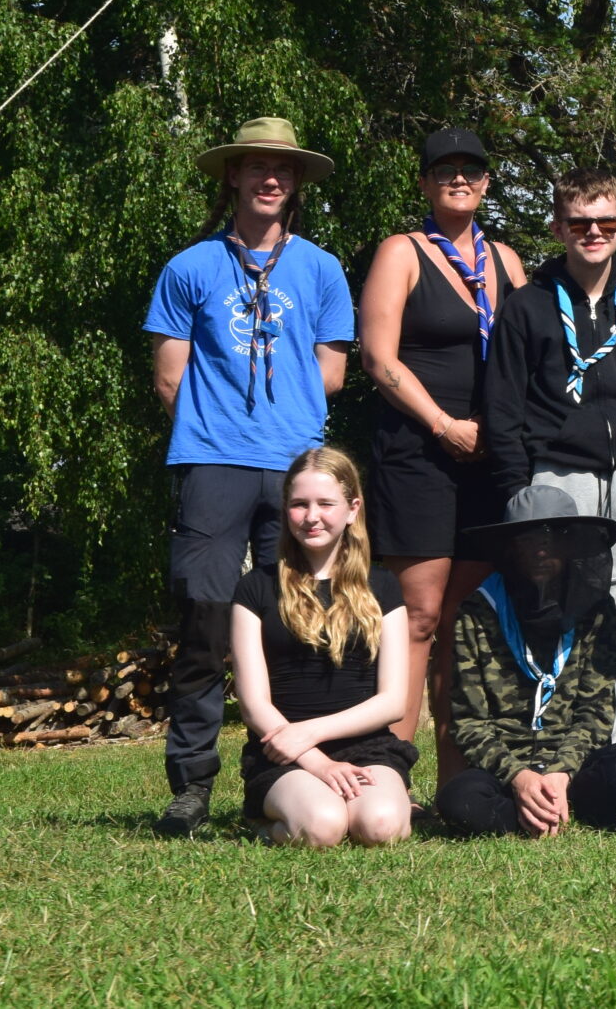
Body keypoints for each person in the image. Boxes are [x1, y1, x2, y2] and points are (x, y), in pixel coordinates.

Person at [143, 116, 357, 837]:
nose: (271, 178)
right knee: (205, 620)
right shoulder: (191, 266)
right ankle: (191, 785)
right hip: (213, 463)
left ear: (296, 182)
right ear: (232, 175)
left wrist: (282, 422)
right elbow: (169, 377)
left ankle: (284, 776)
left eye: (284, 168)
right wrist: (221, 430)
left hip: (297, 469)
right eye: (258, 166)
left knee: (297, 624)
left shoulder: (321, 269)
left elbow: (331, 372)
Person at [481, 164, 616, 731]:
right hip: (556, 478)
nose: (594, 232)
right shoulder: (526, 306)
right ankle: (544, 749)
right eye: (579, 223)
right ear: (558, 228)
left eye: (605, 222)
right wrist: (518, 493)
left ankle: (602, 749)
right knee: (548, 612)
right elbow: (503, 409)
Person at [359, 127, 528, 778]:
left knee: (466, 622)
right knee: (418, 616)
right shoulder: (401, 252)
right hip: (419, 452)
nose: (459, 178)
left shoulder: (507, 261)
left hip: (489, 460)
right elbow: (378, 358)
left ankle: (461, 784)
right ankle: (391, 778)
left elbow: (531, 355)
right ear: (425, 182)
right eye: (444, 169)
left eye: (471, 169)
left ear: (486, 182)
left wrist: (502, 431)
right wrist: (442, 424)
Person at [435, 484, 616, 837]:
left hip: (575, 769)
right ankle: (539, 809)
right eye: (528, 539)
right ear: (510, 547)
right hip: (506, 775)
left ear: (571, 543)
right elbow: (469, 723)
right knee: (458, 801)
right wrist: (519, 777)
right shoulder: (477, 611)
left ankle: (553, 805)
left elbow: (596, 711)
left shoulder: (598, 609)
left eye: (551, 538)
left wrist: (561, 772)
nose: (540, 550)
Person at [228, 448, 415, 848]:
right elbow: (254, 704)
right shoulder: (255, 588)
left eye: (325, 503)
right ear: (286, 510)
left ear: (352, 509)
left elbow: (393, 702)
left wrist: (311, 732)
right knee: (322, 827)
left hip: (368, 747)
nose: (311, 516)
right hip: (283, 751)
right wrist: (314, 759)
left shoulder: (383, 586)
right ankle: (265, 825)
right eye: (299, 504)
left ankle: (381, 803)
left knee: (381, 827)